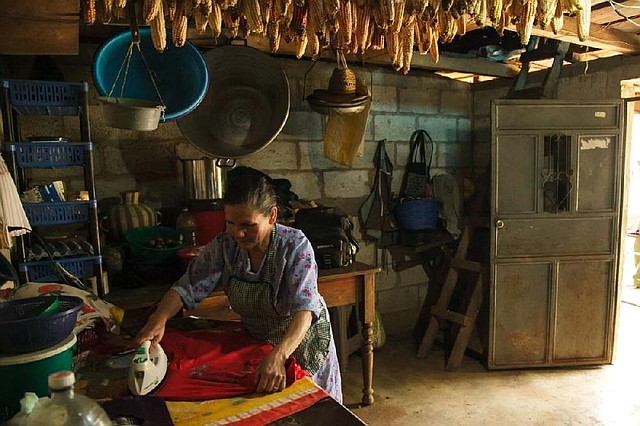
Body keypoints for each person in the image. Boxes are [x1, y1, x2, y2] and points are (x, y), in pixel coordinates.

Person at [136, 172, 343, 402]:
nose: (238, 233)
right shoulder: (225, 245)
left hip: (300, 341)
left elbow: (304, 311)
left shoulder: (294, 246)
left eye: (248, 225)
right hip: (259, 343)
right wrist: (159, 317)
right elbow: (188, 286)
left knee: (313, 411)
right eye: (230, 223)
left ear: (272, 215)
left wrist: (279, 355)